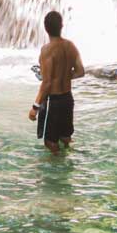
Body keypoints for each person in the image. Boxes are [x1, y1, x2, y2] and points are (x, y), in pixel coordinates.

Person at [28, 10, 84, 153]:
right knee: (66, 137)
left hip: (54, 102)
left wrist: (35, 107)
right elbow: (80, 71)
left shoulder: (47, 50)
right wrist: (64, 75)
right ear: (61, 26)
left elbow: (46, 83)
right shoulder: (71, 46)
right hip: (68, 99)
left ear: (46, 28)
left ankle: (58, 169)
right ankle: (69, 160)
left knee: (50, 142)